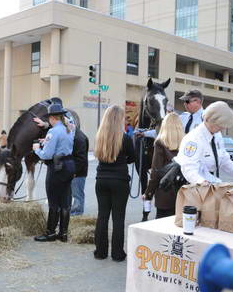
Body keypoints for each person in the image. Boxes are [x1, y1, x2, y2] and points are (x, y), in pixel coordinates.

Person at [93, 105, 135, 261]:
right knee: (118, 218)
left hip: (101, 180)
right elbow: (132, 158)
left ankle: (100, 252)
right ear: (119, 120)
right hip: (119, 181)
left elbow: (98, 155)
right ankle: (117, 253)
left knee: (102, 216)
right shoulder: (125, 138)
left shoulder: (100, 136)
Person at [175, 101, 233, 185]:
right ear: (208, 120)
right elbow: (188, 167)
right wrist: (200, 181)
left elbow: (223, 160)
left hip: (207, 181)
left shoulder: (217, 135)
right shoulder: (194, 139)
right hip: (190, 183)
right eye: (220, 125)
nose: (223, 128)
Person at [33, 102, 75, 242]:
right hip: (69, 166)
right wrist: (47, 141)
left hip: (56, 168)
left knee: (53, 202)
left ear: (52, 118)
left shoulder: (53, 131)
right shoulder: (69, 128)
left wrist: (37, 149)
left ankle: (50, 232)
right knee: (65, 201)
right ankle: (63, 233)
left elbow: (47, 155)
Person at [143, 113, 184, 219]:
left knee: (162, 228)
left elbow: (155, 172)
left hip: (164, 192)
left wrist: (148, 193)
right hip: (182, 193)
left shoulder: (160, 143)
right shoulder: (186, 143)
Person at [71, 128, 89, 216]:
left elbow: (81, 159)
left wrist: (74, 172)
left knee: (77, 195)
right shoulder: (76, 135)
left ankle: (77, 214)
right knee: (75, 194)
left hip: (78, 173)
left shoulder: (79, 138)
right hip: (77, 171)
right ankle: (74, 213)